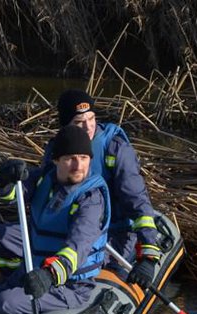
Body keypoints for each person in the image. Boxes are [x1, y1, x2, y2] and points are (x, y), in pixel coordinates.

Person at [0, 124, 110, 314]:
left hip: (70, 285)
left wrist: (49, 275)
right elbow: (11, 195)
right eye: (70, 158)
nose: (78, 165)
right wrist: (5, 179)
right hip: (35, 267)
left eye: (83, 158)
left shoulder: (91, 199)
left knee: (5, 303)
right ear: (56, 160)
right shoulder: (43, 179)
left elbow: (77, 248)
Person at [43, 89, 161, 289]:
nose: (88, 126)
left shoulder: (115, 148)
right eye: (79, 122)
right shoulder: (58, 149)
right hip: (72, 228)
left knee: (90, 269)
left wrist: (149, 255)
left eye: (92, 118)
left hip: (116, 233)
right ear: (66, 126)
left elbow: (137, 200)